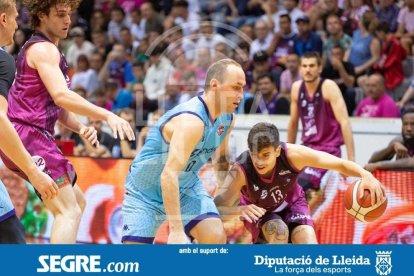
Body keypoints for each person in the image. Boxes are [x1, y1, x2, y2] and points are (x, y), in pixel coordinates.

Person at [0, 0, 135, 244]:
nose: (68, 21)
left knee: (78, 202)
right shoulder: (44, 50)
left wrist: (82, 128)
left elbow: (53, 105)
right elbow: (61, 96)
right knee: (68, 211)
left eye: (69, 14)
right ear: (42, 16)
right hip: (29, 136)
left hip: (26, 135)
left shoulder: (43, 50)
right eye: (60, 15)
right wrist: (106, 114)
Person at [122, 59, 245, 244]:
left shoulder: (228, 118)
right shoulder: (192, 121)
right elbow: (168, 175)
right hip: (144, 193)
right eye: (236, 87)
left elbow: (220, 159)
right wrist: (177, 230)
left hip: (185, 187)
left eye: (242, 88)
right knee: (135, 266)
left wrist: (226, 200)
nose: (241, 95)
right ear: (215, 85)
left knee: (215, 237)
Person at [214, 123, 385, 244]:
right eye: (255, 155)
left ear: (277, 150)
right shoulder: (241, 170)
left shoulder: (293, 154)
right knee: (279, 232)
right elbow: (216, 210)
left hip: (293, 203)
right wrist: (239, 210)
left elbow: (336, 163)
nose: (259, 161)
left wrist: (365, 174)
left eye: (265, 155)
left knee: (307, 241)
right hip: (260, 212)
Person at [0, 0, 57, 244]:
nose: (16, 26)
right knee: (14, 247)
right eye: (14, 20)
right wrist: (34, 172)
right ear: (3, 20)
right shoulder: (3, 60)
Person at [287, 52, 355, 192]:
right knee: (285, 184)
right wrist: (287, 154)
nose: (308, 69)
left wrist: (350, 160)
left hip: (328, 149)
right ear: (300, 69)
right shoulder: (296, 88)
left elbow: (345, 122)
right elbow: (293, 123)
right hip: (307, 148)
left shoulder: (328, 86)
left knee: (303, 185)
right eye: (304, 66)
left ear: (320, 68)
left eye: (312, 66)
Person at [365, 107, 414, 172]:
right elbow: (372, 161)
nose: (409, 129)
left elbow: (411, 163)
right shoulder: (400, 140)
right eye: (405, 124)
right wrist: (392, 147)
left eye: (413, 124)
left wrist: (379, 165)